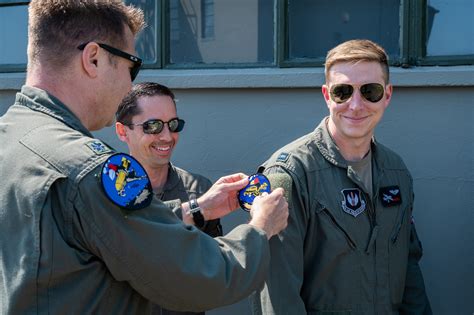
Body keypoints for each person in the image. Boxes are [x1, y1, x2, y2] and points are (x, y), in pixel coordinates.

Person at [0, 1, 288, 314]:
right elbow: (204, 276)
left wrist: (199, 208)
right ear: (93, 58)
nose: (130, 85)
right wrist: (261, 226)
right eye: (131, 66)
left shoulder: (10, 136)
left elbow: (103, 234)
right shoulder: (92, 170)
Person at [250, 39, 432, 314]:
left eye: (370, 91)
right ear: (326, 95)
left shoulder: (396, 172)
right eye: (342, 92)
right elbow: (278, 293)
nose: (356, 105)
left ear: (387, 95)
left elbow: (409, 268)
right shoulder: (289, 174)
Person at [115, 82, 222, 315]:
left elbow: (213, 275)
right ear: (123, 132)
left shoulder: (200, 190)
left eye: (173, 125)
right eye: (152, 126)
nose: (166, 136)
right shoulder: (103, 195)